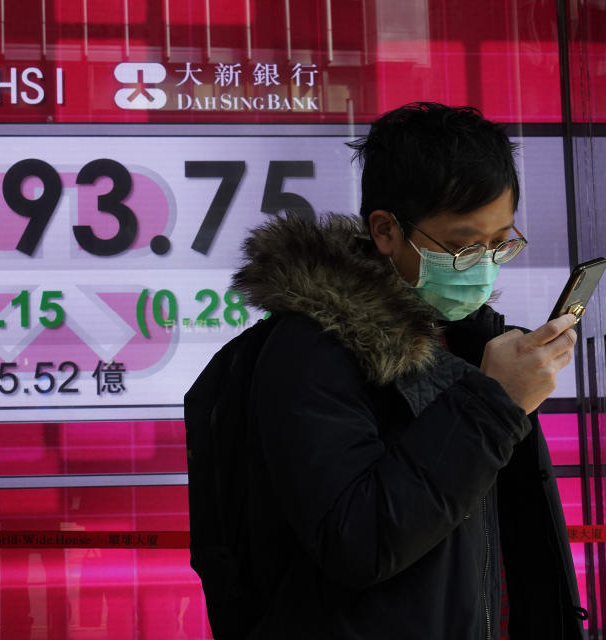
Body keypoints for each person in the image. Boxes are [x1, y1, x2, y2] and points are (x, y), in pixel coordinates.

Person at [185, 103, 585, 639]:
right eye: (464, 245)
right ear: (386, 231)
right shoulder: (311, 350)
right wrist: (494, 403)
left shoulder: (469, 338)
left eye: (499, 243)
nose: (485, 266)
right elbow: (358, 542)